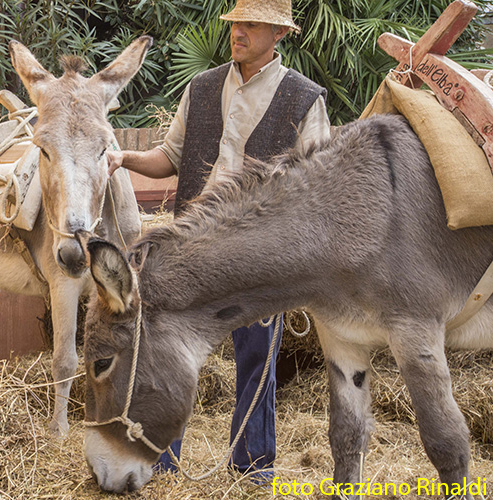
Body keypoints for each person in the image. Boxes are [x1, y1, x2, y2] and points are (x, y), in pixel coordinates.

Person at [107, 0, 330, 481]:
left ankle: (251, 470)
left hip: (258, 255)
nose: (239, 33)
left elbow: (315, 187)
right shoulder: (202, 88)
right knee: (167, 359)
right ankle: (160, 463)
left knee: (256, 361)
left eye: (251, 25)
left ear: (278, 34)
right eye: (235, 24)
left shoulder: (304, 97)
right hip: (191, 252)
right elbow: (169, 156)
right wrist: (124, 158)